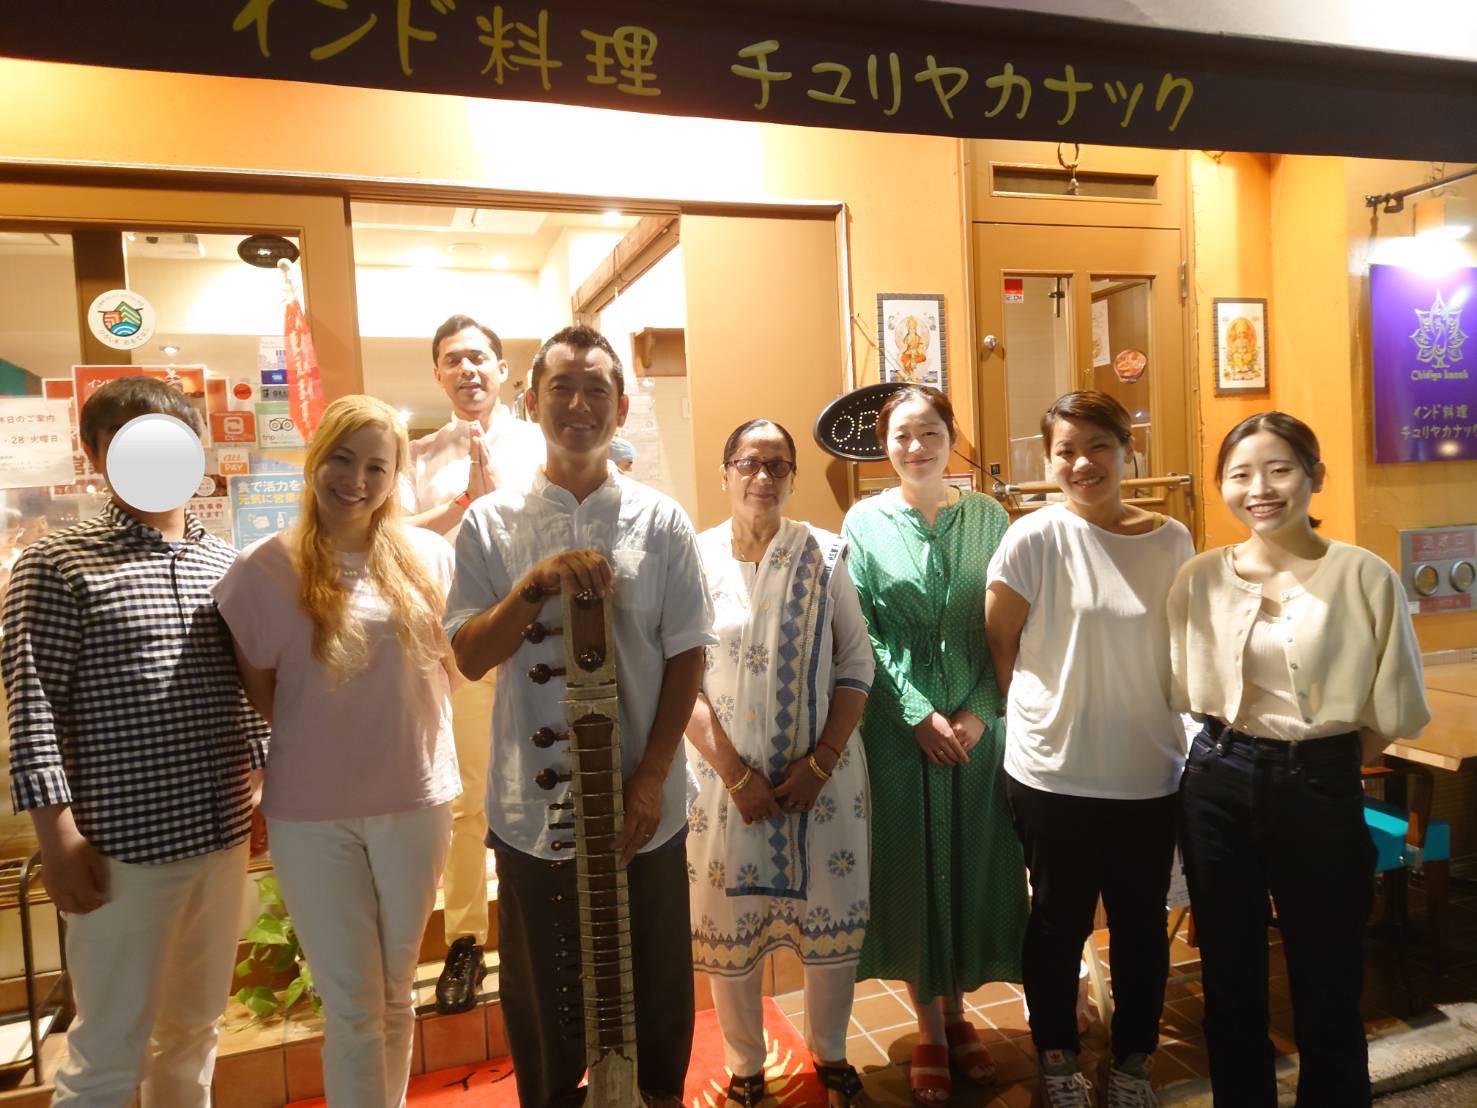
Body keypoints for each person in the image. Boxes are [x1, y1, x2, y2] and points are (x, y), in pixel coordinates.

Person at [445, 324, 715, 1108]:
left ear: (621, 407)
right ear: (530, 402)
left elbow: (687, 654)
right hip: (532, 805)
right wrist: (532, 587)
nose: (578, 404)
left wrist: (652, 776)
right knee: (546, 998)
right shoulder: (489, 522)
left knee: (654, 987)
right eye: (560, 387)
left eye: (597, 388)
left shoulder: (660, 520)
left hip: (641, 804)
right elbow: (469, 653)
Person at [2, 376, 269, 1106]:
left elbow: (244, 690)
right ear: (95, 456)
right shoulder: (57, 564)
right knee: (109, 1047)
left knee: (196, 1031)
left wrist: (262, 786)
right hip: (120, 846)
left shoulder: (226, 563)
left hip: (219, 836)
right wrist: (57, 839)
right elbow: (33, 708)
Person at [1168, 412, 1430, 1107]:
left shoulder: (1362, 575)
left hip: (1319, 782)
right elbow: (1183, 687)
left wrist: (1321, 761)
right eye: (1240, 474)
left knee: (1328, 976)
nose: (1259, 488)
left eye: (1279, 469)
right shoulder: (1199, 576)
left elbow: (1393, 705)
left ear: (1315, 476)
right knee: (1229, 978)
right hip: (1216, 778)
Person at [214, 395, 461, 1107]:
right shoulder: (263, 568)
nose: (356, 480)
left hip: (415, 799)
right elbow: (264, 693)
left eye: (376, 467)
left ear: (395, 476)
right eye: (342, 460)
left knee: (395, 993)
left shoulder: (430, 558)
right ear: (315, 460)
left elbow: (452, 671)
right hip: (312, 814)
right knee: (353, 1004)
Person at [984, 389, 1194, 1108]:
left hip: (1149, 771)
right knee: (1057, 924)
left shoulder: (1172, 540)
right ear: (1048, 461)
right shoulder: (1032, 538)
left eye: (1098, 446)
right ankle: (1057, 1060)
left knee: (1140, 930)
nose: (1082, 464)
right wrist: (1050, 716)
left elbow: (1183, 647)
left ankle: (1131, 1063)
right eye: (1065, 451)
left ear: (1126, 450)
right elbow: (1002, 647)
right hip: (1055, 772)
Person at [843, 385, 1028, 1107]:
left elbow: (1006, 624)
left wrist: (980, 710)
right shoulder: (863, 521)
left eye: (929, 432)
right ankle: (929, 1024)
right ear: (883, 445)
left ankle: (959, 1015)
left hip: (981, 725)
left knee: (973, 862)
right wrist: (917, 714)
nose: (915, 447)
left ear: (953, 437)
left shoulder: (990, 517)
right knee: (913, 867)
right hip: (897, 730)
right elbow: (863, 631)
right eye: (901, 435)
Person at [686, 419, 874, 1108]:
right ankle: (744, 1065)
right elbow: (678, 679)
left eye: (777, 465)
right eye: (748, 463)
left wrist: (821, 763)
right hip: (721, 784)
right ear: (725, 473)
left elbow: (857, 662)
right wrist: (736, 776)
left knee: (830, 922)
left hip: (822, 786)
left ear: (792, 477)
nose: (762, 477)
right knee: (729, 926)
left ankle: (831, 1053)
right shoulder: (694, 558)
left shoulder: (825, 553)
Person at [400, 314, 545, 1013]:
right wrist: (463, 502)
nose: (468, 370)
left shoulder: (540, 444)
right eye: (453, 359)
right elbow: (390, 536)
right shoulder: (419, 457)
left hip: (538, 642)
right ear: (437, 373)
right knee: (465, 800)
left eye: (480, 357)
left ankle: (537, 928)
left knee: (541, 783)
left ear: (503, 368)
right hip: (455, 647)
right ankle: (464, 939)